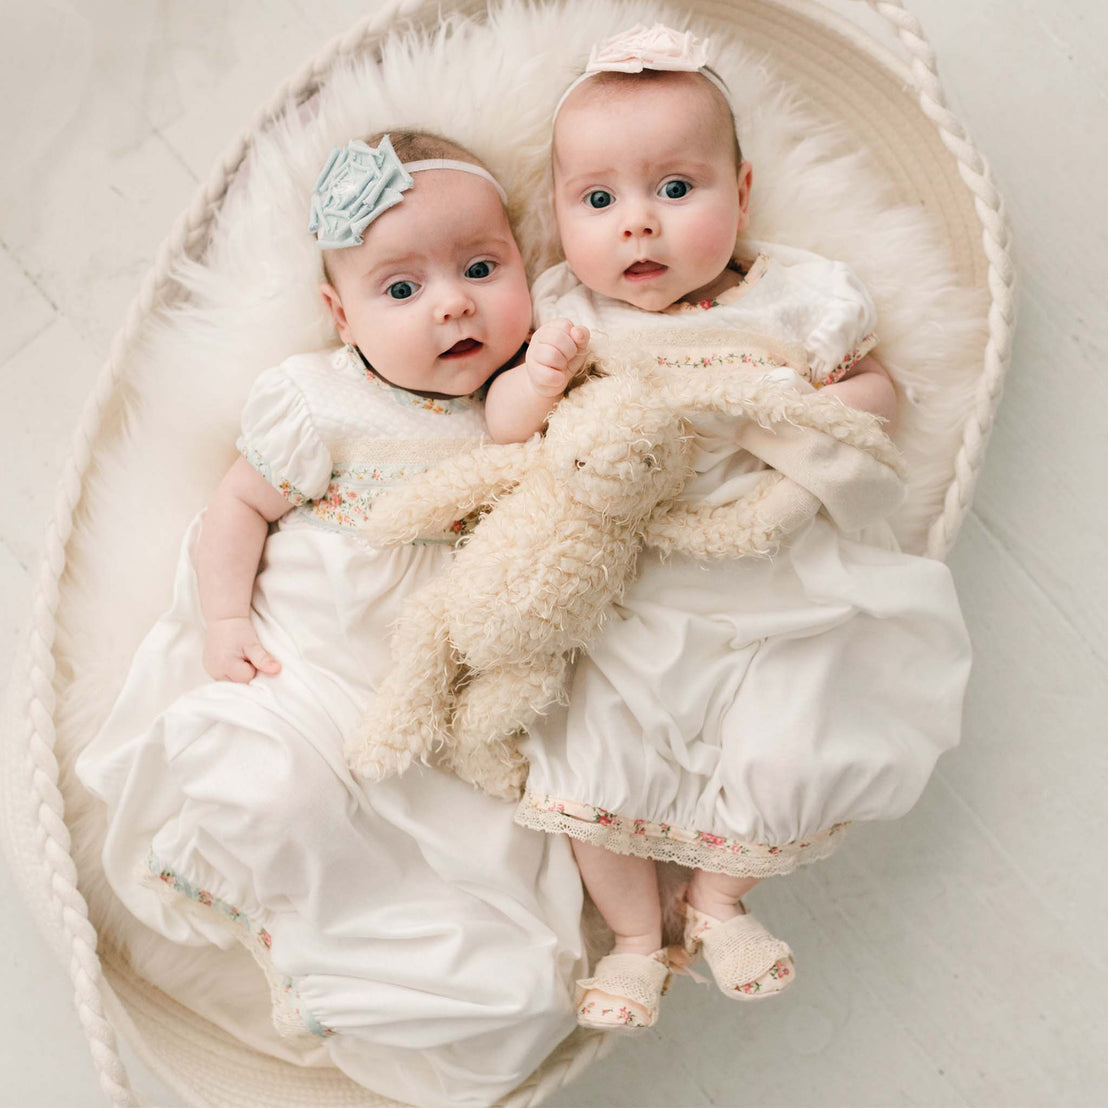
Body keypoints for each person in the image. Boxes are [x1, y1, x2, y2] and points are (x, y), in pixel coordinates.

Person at [76, 131, 586, 1108]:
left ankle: (345, 955)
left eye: (482, 268)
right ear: (337, 314)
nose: (451, 303)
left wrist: (554, 368)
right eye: (401, 290)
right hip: (302, 677)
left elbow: (531, 435)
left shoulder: (505, 411)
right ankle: (273, 905)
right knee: (265, 782)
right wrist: (226, 618)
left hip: (423, 720)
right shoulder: (322, 404)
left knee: (474, 886)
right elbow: (235, 508)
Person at [494, 25, 972, 1030]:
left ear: (742, 193)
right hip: (629, 588)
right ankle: (634, 941)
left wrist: (824, 410)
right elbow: (506, 429)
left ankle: (718, 902)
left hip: (770, 576)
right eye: (598, 200)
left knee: (796, 717)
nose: (638, 226)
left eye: (676, 189)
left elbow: (874, 393)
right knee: (585, 747)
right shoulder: (568, 314)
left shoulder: (797, 299)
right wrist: (538, 381)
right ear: (556, 214)